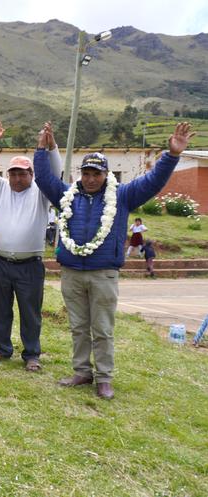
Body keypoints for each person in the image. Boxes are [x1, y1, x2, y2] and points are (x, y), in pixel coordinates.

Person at [34, 122, 194, 400]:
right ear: (80, 174)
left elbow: (153, 181)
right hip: (71, 272)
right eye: (86, 173)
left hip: (104, 274)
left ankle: (104, 378)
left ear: (106, 174)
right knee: (78, 327)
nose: (91, 178)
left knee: (103, 329)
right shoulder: (67, 196)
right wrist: (41, 149)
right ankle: (82, 371)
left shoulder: (122, 196)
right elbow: (44, 178)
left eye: (96, 173)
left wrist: (172, 155)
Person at [0, 121, 62, 371]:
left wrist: (52, 146)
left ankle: (32, 354)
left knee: (30, 312)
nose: (16, 177)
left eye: (22, 173)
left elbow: (55, 173)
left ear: (31, 175)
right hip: (0, 261)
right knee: (0, 309)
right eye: (13, 173)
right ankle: (2, 348)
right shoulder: (0, 188)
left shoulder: (41, 191)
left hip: (30, 265)